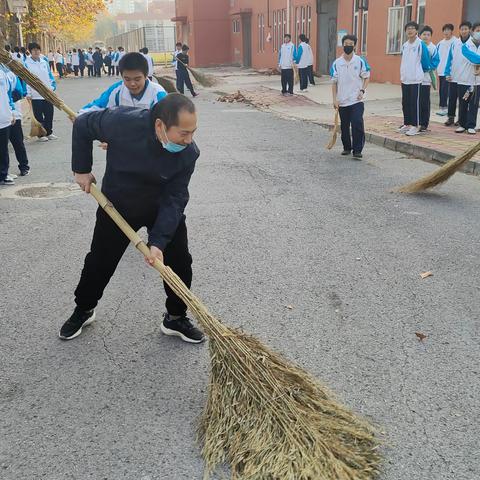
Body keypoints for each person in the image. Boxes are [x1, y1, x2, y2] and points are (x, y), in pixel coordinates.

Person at [59, 94, 205, 344]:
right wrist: (81, 169)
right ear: (160, 125)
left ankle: (175, 317)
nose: (189, 139)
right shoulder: (122, 122)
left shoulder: (188, 153)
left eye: (193, 132)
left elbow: (176, 197)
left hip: (161, 205)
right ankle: (84, 309)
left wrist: (158, 242)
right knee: (100, 261)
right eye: (183, 133)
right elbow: (83, 124)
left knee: (179, 261)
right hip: (119, 203)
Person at [79, 52, 167, 115]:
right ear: (122, 76)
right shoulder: (117, 90)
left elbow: (168, 123)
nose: (132, 84)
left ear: (146, 75)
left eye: (137, 79)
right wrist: (80, 115)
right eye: (127, 79)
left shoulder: (158, 93)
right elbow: (98, 106)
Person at [331, 34, 370, 160]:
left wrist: (362, 91)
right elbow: (334, 83)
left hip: (356, 99)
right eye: (346, 44)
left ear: (354, 45)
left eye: (351, 44)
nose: (348, 46)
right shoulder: (337, 63)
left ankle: (357, 150)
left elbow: (367, 77)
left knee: (357, 122)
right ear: (343, 45)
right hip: (342, 100)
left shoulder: (360, 61)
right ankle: (347, 147)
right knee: (344, 125)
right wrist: (334, 99)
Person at [398, 21, 431, 136]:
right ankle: (407, 124)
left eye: (412, 28)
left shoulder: (420, 44)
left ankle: (416, 126)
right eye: (408, 28)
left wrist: (420, 72)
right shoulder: (405, 45)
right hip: (405, 78)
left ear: (416, 31)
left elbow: (426, 61)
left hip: (416, 79)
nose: (410, 30)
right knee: (405, 102)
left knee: (414, 103)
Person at [24, 42, 58, 141]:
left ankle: (49, 132)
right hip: (35, 94)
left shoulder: (44, 62)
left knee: (49, 113)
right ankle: (41, 135)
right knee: (39, 115)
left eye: (38, 49)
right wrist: (28, 93)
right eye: (34, 50)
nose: (36, 51)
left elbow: (50, 76)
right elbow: (26, 80)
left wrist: (52, 87)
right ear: (30, 51)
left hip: (47, 93)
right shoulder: (27, 63)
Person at [453, 22, 480, 134]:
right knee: (463, 102)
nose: (479, 33)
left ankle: (471, 125)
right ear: (472, 31)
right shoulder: (465, 46)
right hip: (464, 79)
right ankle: (462, 124)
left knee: (473, 104)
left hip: (476, 81)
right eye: (478, 31)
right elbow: (475, 59)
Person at [2, 66, 30, 176]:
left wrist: (10, 107)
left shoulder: (10, 73)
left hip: (13, 114)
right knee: (3, 146)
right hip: (3, 116)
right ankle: (5, 172)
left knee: (17, 142)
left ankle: (24, 166)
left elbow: (19, 92)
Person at [444, 21, 472, 127]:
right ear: (459, 30)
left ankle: (461, 120)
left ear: (469, 30)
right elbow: (449, 59)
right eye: (462, 29)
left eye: (466, 29)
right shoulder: (455, 43)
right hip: (454, 76)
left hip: (466, 78)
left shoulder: (472, 43)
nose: (464, 31)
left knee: (463, 99)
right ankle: (450, 117)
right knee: (452, 98)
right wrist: (447, 72)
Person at [419, 26, 440, 132]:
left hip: (426, 79)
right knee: (415, 102)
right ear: (420, 35)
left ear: (431, 36)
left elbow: (436, 61)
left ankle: (424, 123)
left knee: (424, 102)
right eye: (424, 34)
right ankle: (415, 122)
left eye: (428, 35)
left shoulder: (433, 48)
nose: (426, 36)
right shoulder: (417, 45)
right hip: (415, 79)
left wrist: (427, 67)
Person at [436, 24, 456, 116]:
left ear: (452, 31)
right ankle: (442, 107)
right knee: (442, 89)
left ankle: (446, 108)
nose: (446, 32)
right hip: (440, 70)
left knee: (447, 90)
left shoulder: (455, 42)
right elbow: (436, 56)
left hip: (450, 71)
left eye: (448, 30)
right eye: (445, 30)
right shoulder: (440, 43)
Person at [0, 67, 15, 186]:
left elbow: (8, 94)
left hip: (3, 116)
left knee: (3, 148)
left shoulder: (2, 73)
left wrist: (11, 112)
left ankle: (3, 174)